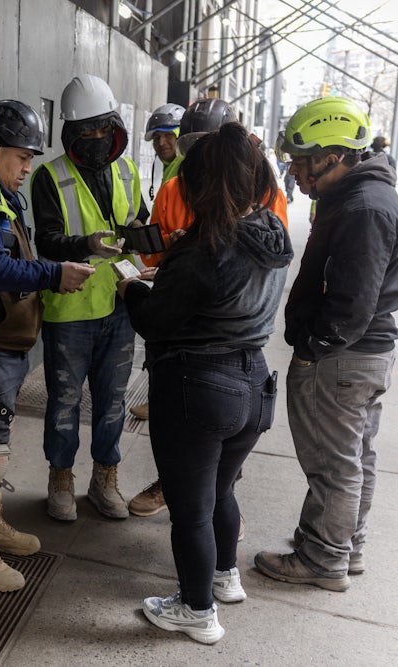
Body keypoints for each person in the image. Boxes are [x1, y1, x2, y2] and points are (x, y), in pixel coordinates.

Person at [117, 122, 293, 644]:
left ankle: (197, 612)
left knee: (189, 509)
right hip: (254, 384)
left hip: (198, 386)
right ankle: (224, 578)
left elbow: (155, 320)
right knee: (219, 490)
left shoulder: (204, 249)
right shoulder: (270, 233)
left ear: (204, 185)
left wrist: (132, 289)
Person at [0, 99, 97, 592]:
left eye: (31, 158)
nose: (28, 167)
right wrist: (54, 274)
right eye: (22, 157)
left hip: (2, 345)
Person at [255, 96, 398, 591]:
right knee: (355, 457)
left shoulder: (364, 208)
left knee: (334, 463)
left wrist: (315, 346)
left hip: (344, 357)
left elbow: (352, 303)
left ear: (334, 155)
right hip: (363, 355)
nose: (296, 170)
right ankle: (345, 547)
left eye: (302, 159)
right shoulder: (363, 197)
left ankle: (322, 558)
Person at [127, 98, 290, 522]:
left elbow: (246, 270)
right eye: (193, 144)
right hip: (239, 369)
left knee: (197, 507)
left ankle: (200, 579)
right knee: (211, 489)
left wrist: (198, 256)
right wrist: (178, 254)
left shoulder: (265, 200)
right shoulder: (174, 189)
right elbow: (163, 254)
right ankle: (222, 568)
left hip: (203, 365)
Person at [31, 74, 150, 521]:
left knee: (112, 401)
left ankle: (106, 478)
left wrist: (139, 237)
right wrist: (87, 245)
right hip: (72, 310)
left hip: (120, 303)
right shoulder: (49, 176)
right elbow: (46, 242)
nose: (98, 140)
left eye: (105, 130)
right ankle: (60, 478)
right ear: (71, 134)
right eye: (88, 133)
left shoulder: (127, 169)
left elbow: (134, 222)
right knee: (64, 401)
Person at [127, 102, 185, 423]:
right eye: (157, 138)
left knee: (164, 338)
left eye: (168, 136)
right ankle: (159, 397)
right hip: (167, 264)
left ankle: (160, 400)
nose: (162, 143)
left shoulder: (183, 170)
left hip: (175, 266)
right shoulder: (171, 169)